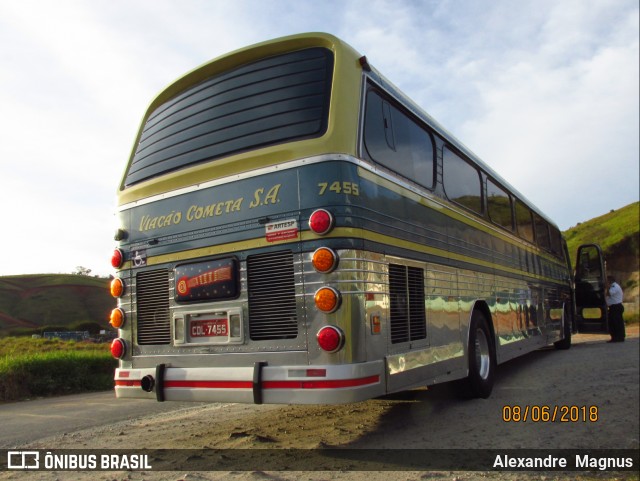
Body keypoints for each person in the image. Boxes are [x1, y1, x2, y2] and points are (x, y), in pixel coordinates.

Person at [605, 275, 625, 343]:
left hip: (616, 307)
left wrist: (607, 287)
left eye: (607, 281)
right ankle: (616, 337)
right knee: (613, 323)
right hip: (613, 307)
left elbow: (609, 294)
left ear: (610, 281)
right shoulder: (612, 286)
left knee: (616, 323)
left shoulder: (614, 287)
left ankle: (618, 337)